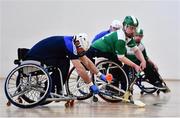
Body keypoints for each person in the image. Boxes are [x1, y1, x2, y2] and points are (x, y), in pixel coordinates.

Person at [24, 33, 107, 95]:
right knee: (63, 64)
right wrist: (90, 84)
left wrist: (99, 74)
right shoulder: (70, 46)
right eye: (81, 50)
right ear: (78, 44)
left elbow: (87, 61)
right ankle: (49, 89)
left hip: (47, 55)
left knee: (65, 62)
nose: (81, 52)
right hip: (36, 56)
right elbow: (80, 69)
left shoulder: (75, 43)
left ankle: (57, 88)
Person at [86, 16, 146, 90]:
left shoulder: (128, 36)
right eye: (131, 28)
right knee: (121, 63)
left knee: (120, 64)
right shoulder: (121, 38)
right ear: (125, 26)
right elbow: (121, 57)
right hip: (96, 50)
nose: (133, 31)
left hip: (106, 51)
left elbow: (136, 50)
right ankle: (113, 86)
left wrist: (143, 61)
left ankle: (117, 86)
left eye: (135, 28)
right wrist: (135, 66)